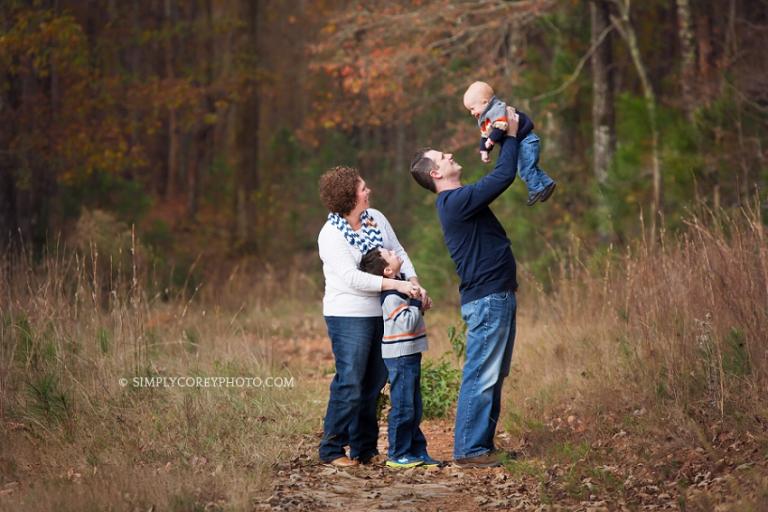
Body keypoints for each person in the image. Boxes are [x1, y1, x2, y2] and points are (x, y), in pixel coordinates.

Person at [409, 108, 520, 468]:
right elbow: (504, 175)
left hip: (495, 296)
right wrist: (514, 134)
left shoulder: (459, 201)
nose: (451, 154)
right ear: (436, 173)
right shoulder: (455, 201)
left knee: (493, 373)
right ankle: (470, 451)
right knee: (482, 374)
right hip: (488, 300)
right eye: (443, 156)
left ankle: (480, 447)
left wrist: (498, 137)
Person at [317, 165, 429, 468]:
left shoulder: (375, 218)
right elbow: (353, 279)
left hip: (381, 312)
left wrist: (414, 282)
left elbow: (399, 251)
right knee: (351, 382)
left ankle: (364, 448)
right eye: (363, 188)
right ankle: (331, 449)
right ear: (350, 196)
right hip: (348, 315)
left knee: (374, 383)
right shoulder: (330, 236)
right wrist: (398, 284)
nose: (368, 191)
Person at [358, 247, 440, 468]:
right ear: (387, 270)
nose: (394, 251)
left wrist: (420, 303)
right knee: (404, 406)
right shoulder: (391, 296)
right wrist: (415, 303)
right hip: (400, 356)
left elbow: (411, 317)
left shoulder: (402, 287)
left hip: (410, 352)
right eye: (389, 253)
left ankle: (417, 450)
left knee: (414, 405)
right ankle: (398, 453)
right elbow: (407, 322)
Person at [463, 80, 556, 206]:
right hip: (523, 143)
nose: (472, 113)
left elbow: (501, 126)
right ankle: (547, 184)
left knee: (525, 169)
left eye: (472, 108)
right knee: (530, 167)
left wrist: (491, 140)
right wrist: (484, 150)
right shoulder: (485, 118)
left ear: (485, 102)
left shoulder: (497, 109)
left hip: (526, 141)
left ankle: (536, 189)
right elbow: (485, 135)